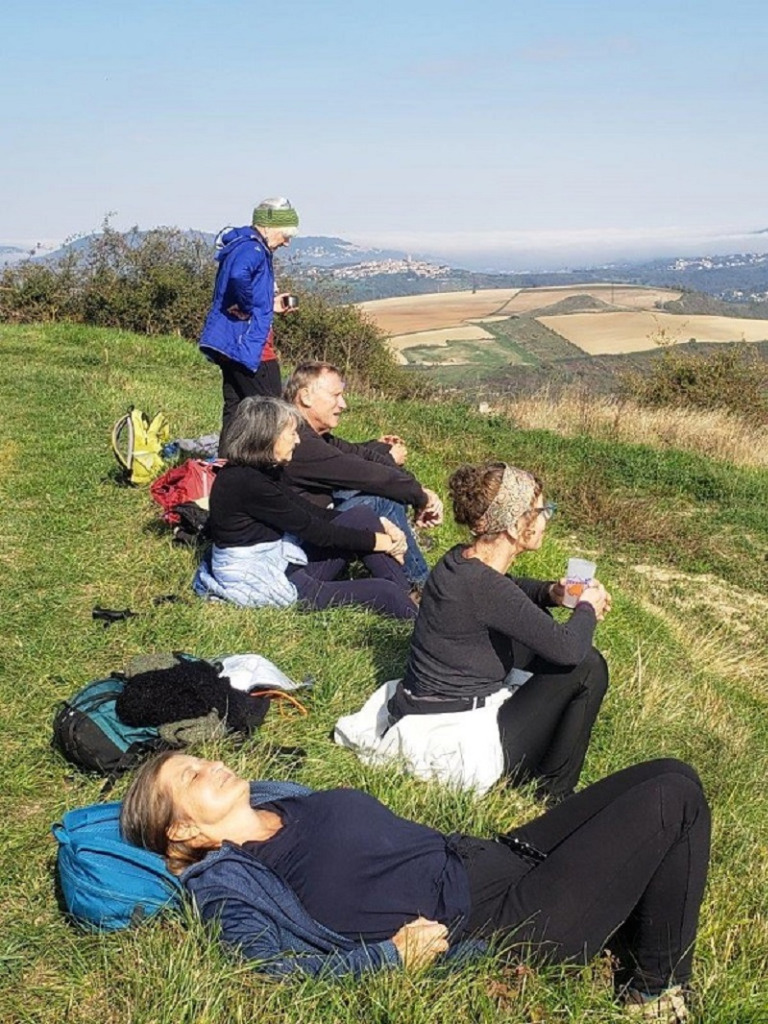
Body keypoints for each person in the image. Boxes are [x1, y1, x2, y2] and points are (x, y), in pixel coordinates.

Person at [121, 750, 710, 1020]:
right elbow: (273, 972)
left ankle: (633, 920)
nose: (210, 763)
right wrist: (389, 960)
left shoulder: (278, 799)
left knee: (669, 771)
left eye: (198, 757)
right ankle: (652, 994)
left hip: (491, 858)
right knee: (674, 801)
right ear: (182, 828)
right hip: (496, 926)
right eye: (191, 775)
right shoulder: (224, 885)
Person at [389, 461, 611, 802]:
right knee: (587, 666)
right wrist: (587, 608)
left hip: (426, 708)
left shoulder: (460, 561)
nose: (546, 518)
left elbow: (508, 591)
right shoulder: (485, 588)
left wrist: (550, 592)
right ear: (516, 523)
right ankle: (553, 793)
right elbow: (569, 649)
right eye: (541, 510)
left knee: (535, 642)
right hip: (454, 738)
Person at [193, 396, 417, 620]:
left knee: (360, 516)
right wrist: (383, 543)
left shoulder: (260, 471)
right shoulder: (247, 483)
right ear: (267, 437)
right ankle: (423, 626)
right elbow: (317, 532)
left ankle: (410, 598)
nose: (298, 441)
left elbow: (312, 513)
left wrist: (382, 527)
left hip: (279, 562)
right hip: (266, 581)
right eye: (291, 433)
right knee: (383, 592)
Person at [282, 361, 443, 590]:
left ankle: (407, 574)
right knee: (381, 500)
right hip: (301, 555)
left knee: (377, 492)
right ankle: (420, 585)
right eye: (336, 395)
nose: (343, 404)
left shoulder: (309, 435)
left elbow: (359, 455)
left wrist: (398, 468)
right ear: (306, 397)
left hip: (311, 530)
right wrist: (421, 497)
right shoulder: (302, 444)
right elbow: (368, 475)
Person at [198, 197, 299, 453]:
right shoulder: (253, 249)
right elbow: (237, 276)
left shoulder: (241, 245)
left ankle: (225, 467)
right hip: (250, 347)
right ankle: (270, 469)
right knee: (272, 413)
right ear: (267, 227)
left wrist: (269, 305)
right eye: (285, 235)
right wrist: (249, 306)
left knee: (236, 408)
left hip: (230, 344)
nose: (287, 242)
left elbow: (241, 282)